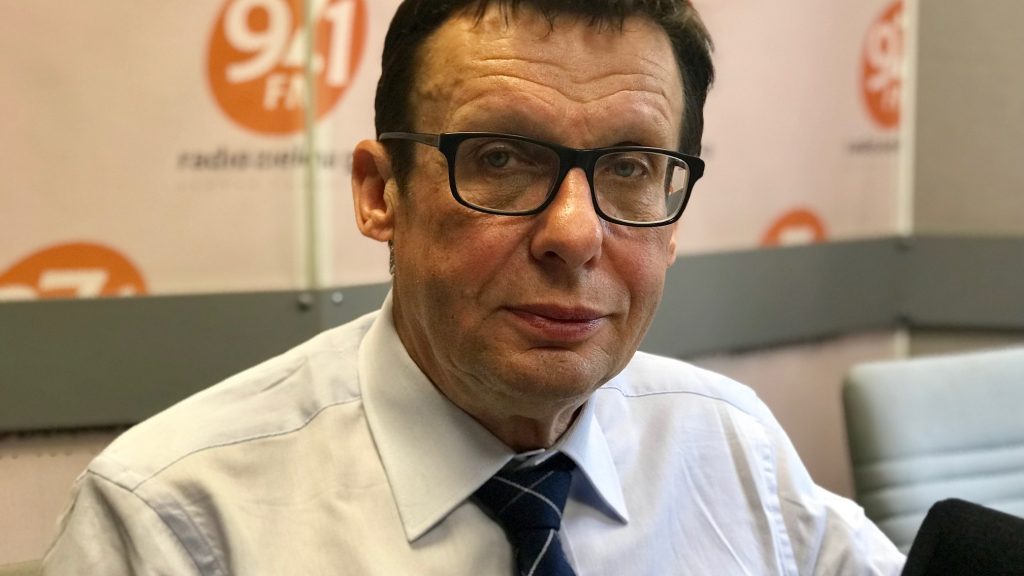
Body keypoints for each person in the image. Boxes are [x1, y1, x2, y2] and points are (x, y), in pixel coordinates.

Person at [44, 0, 906, 574]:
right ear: (381, 193)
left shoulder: (730, 446)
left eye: (630, 169)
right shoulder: (173, 523)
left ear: (674, 217)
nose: (575, 234)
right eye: (500, 158)